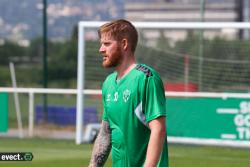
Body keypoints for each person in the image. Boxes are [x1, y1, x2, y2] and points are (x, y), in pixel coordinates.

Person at [88, 19, 168, 167]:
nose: (101, 49)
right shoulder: (108, 83)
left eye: (107, 44)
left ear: (124, 44)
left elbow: (158, 129)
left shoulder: (146, 78)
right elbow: (106, 132)